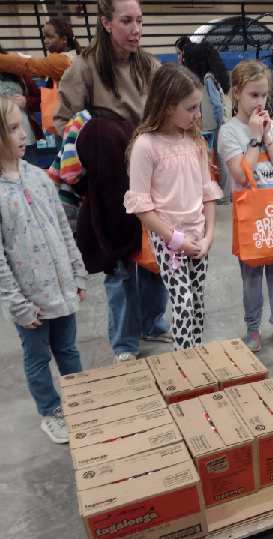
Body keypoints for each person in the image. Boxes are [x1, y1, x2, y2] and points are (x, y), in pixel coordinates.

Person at [54, 0, 171, 363]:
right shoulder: (85, 68)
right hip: (107, 185)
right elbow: (63, 123)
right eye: (126, 21)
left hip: (150, 177)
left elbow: (168, 113)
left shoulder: (150, 66)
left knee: (155, 259)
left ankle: (152, 321)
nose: (136, 29)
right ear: (105, 23)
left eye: (139, 20)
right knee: (119, 266)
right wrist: (96, 147)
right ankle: (123, 342)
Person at [0, 96, 86, 444]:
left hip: (62, 287)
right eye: (13, 129)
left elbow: (64, 230)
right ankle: (50, 411)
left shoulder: (39, 177)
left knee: (68, 349)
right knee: (37, 359)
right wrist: (17, 305)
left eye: (22, 125)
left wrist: (77, 272)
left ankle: (80, 400)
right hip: (31, 301)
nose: (23, 135)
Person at [125, 64, 222, 349]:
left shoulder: (195, 141)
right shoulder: (146, 146)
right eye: (191, 108)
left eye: (198, 107)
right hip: (169, 241)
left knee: (197, 299)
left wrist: (208, 236)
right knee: (183, 302)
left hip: (197, 236)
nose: (198, 115)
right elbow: (142, 207)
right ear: (167, 107)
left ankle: (197, 352)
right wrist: (176, 239)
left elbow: (208, 193)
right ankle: (186, 362)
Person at [218, 60, 273, 354]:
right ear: (237, 92)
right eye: (253, 95)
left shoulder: (272, 127)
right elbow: (241, 175)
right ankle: (253, 329)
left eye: (264, 96)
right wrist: (252, 138)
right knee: (251, 277)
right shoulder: (229, 132)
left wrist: (266, 137)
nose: (260, 102)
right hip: (250, 214)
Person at [180, 39, 232, 202]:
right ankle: (221, 193)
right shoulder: (208, 77)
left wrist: (220, 123)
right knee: (217, 158)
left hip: (211, 125)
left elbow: (216, 104)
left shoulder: (207, 78)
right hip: (213, 124)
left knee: (216, 158)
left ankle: (223, 194)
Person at [0, 17, 80, 83]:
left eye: (50, 37)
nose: (45, 41)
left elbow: (28, 65)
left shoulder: (62, 60)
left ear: (64, 39)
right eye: (44, 37)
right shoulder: (74, 56)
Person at [0, 45, 41, 162]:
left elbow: (41, 100)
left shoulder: (16, 69)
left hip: (25, 136)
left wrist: (26, 101)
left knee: (29, 172)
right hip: (3, 140)